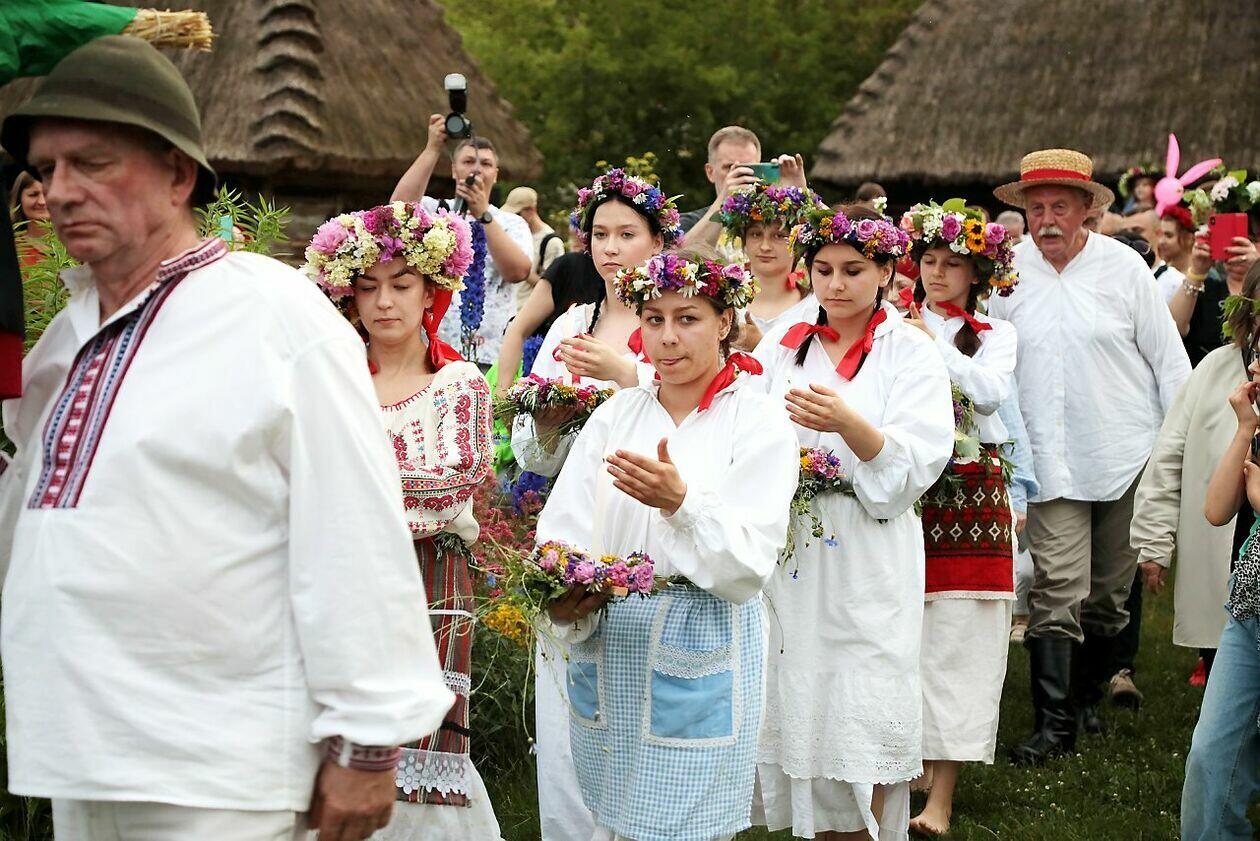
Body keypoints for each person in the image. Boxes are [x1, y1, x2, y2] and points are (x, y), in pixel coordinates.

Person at [0, 36, 454, 840]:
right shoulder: (66, 340)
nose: (59, 190)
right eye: (45, 169)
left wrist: (369, 740)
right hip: (83, 756)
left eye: (91, 163)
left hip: (222, 770)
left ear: (179, 175)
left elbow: (352, 527)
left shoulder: (275, 317)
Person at [536, 249, 797, 841]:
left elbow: (750, 564)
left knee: (688, 825)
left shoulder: (757, 421)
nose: (668, 338)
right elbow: (563, 525)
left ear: (725, 321)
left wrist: (683, 504)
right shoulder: (617, 415)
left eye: (688, 319)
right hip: (612, 636)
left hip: (704, 636)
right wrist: (564, 591)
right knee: (612, 819)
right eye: (654, 320)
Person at [751, 205, 954, 840]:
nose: (835, 285)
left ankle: (870, 827)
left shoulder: (910, 351)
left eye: (852, 270)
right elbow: (746, 423)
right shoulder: (784, 341)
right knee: (798, 680)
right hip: (795, 543)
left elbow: (920, 459)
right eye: (823, 270)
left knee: (866, 688)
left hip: (869, 544)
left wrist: (848, 425)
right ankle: (816, 827)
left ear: (887, 272)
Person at [303, 202, 501, 839]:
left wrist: (345, 497)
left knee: (415, 735)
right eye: (368, 287)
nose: (384, 302)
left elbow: (448, 489)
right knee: (334, 725)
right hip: (334, 573)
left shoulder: (458, 384)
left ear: (431, 290)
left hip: (426, 575)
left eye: (401, 284)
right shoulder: (330, 383)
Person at [989, 148, 1191, 765]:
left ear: (1087, 211)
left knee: (1107, 598)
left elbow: (1169, 363)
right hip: (1048, 458)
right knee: (1058, 588)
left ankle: (1084, 699)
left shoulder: (1124, 268)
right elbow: (990, 366)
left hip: (1125, 454)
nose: (1047, 219)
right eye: (1036, 208)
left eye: (1060, 206)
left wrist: (1178, 450)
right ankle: (1053, 729)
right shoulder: (1006, 274)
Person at [511, 168, 682, 841]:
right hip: (579, 516)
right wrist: (548, 420)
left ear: (658, 240)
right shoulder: (571, 325)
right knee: (570, 688)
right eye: (600, 234)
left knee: (642, 690)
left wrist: (627, 376)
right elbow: (533, 451)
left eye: (627, 234)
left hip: (651, 518)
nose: (611, 248)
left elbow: (697, 414)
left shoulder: (675, 320)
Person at [897, 200, 1019, 836]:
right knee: (901, 631)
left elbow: (991, 395)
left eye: (952, 263)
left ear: (977, 274)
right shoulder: (889, 321)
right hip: (903, 488)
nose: (937, 272)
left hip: (971, 493)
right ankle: (901, 773)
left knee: (961, 638)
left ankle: (940, 798)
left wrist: (931, 345)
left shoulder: (996, 334)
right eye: (929, 259)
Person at [1132, 261, 1260, 693]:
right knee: (1225, 655)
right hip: (1225, 540)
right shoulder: (1214, 370)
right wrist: (1154, 539)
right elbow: (1170, 453)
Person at [1182, 345, 1260, 839]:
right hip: (1248, 612)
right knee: (1210, 755)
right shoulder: (1257, 430)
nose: (1253, 366)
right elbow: (1215, 510)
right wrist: (1246, 429)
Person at [391, 115, 533, 368]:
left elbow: (518, 272)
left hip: (490, 356)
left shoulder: (511, 223)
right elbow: (396, 211)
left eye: (486, 164)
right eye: (468, 162)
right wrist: (432, 148)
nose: (476, 169)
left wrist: (483, 214)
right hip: (431, 351)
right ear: (454, 170)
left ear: (495, 175)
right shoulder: (434, 211)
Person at [715, 182, 823, 350]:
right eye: (756, 234)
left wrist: (759, 346)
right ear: (744, 242)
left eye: (778, 235)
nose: (765, 246)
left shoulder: (817, 308)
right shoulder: (722, 305)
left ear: (797, 242)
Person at [494, 250, 604, 396]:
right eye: (600, 237)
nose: (610, 248)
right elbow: (517, 330)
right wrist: (502, 395)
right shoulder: (570, 267)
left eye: (627, 237)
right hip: (546, 393)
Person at [502, 185, 566, 312]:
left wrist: (521, 269)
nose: (513, 218)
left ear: (531, 210)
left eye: (517, 214)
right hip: (507, 311)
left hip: (529, 315)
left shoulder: (551, 242)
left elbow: (554, 288)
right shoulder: (513, 234)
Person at [9, 170, 51, 270]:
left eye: (47, 193)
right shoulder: (9, 249)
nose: (42, 201)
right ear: (19, 199)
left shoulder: (78, 245)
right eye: (33, 194)